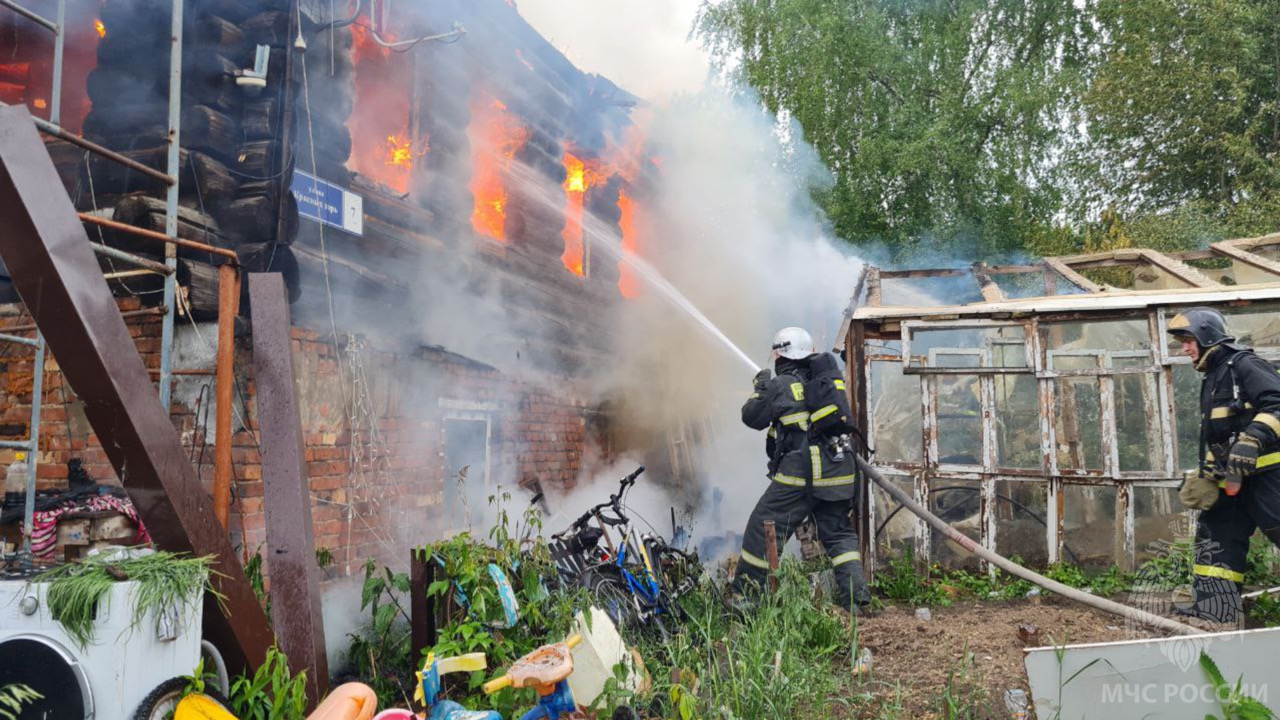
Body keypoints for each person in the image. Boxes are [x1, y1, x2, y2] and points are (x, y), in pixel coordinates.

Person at [729, 326, 872, 612]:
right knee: (839, 532)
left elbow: (752, 416)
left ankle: (746, 599)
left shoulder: (780, 384)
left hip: (805, 471)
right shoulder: (825, 380)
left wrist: (761, 387)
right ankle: (857, 600)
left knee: (763, 526)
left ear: (781, 353)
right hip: (840, 467)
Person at [1168, 307, 1280, 626]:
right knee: (1215, 538)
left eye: (1188, 341)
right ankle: (1216, 610)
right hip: (1232, 481)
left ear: (1207, 337)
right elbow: (1219, 436)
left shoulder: (1244, 364)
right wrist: (1207, 473)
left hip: (1269, 476)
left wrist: (1254, 439)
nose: (1185, 348)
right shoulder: (1214, 376)